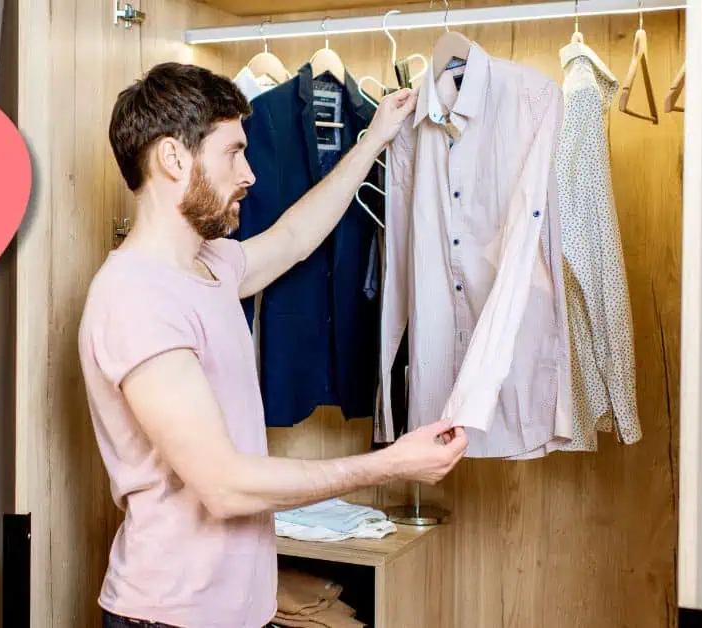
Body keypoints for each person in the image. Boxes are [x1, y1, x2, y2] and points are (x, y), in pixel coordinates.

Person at [78, 62, 469, 628]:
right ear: (172, 158)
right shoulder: (136, 300)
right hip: (170, 617)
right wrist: (389, 464)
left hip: (233, 610)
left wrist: (373, 139)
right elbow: (226, 487)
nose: (250, 174)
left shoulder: (207, 266)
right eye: (233, 152)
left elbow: (293, 236)